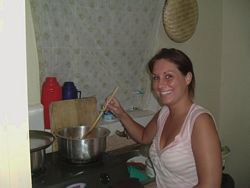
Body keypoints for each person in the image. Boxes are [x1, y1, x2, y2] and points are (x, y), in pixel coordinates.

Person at [106, 48, 222, 188]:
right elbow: (143, 136)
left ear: (187, 78)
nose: (160, 85)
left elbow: (211, 185)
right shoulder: (164, 113)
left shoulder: (200, 122)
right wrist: (120, 112)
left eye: (168, 76)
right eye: (156, 77)